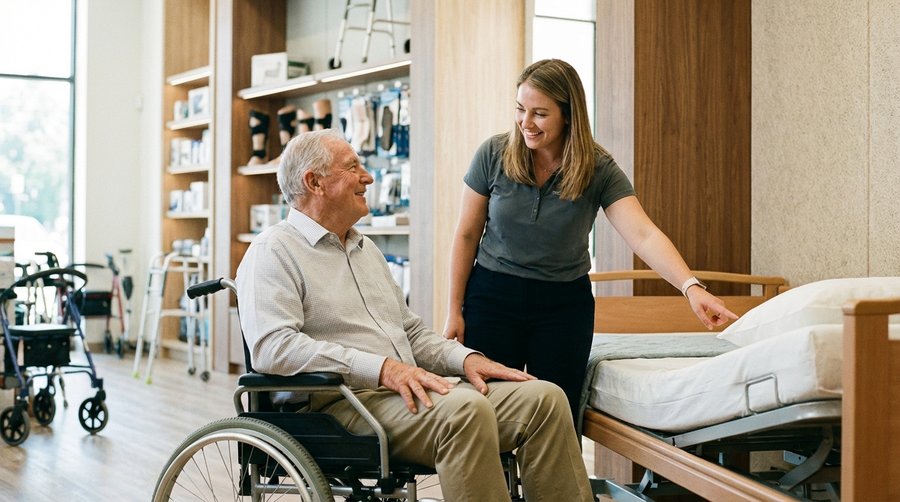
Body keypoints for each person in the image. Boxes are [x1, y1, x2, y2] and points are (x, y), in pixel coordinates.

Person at [236, 129, 595, 502]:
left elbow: (410, 332)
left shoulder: (364, 249)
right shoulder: (272, 251)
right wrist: (383, 369)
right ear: (315, 182)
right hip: (338, 406)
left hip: (402, 394)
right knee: (464, 411)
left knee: (545, 399)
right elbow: (273, 349)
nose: (368, 177)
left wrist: (467, 358)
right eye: (353, 167)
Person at [443, 59, 738, 428]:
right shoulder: (493, 154)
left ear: (568, 116)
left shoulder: (598, 169)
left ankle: (546, 488)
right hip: (492, 298)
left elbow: (643, 234)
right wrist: (454, 309)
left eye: (539, 113)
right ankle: (492, 488)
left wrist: (691, 287)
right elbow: (467, 234)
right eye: (520, 109)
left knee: (555, 420)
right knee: (486, 412)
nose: (525, 122)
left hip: (562, 307)